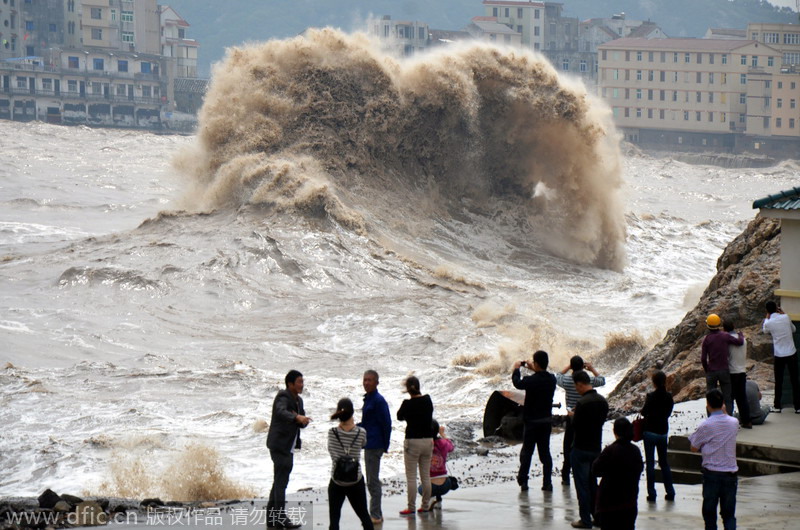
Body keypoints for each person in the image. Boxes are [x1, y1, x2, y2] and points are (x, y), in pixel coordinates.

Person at [689, 389, 739, 530]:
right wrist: (725, 412)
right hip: (730, 474)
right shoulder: (734, 422)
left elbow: (693, 447)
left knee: (710, 515)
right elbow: (732, 421)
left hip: (711, 474)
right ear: (723, 403)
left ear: (708, 405)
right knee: (729, 515)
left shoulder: (705, 425)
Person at [266, 370, 310, 529]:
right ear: (290, 384)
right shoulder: (282, 397)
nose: (301, 385)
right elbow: (281, 411)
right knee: (281, 481)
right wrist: (296, 417)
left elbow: (301, 421)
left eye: (302, 381)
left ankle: (272, 518)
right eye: (299, 382)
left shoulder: (299, 401)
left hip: (289, 446)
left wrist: (303, 421)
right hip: (279, 445)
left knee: (279, 479)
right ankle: (280, 517)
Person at [556, 355, 606, 485]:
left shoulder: (567, 380)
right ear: (583, 366)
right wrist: (591, 368)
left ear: (572, 366)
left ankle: (565, 476)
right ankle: (590, 474)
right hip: (588, 417)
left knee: (568, 446)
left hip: (571, 416)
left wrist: (568, 367)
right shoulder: (588, 380)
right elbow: (602, 380)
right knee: (585, 443)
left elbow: (557, 377)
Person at [512, 350, 557, 492]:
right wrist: (535, 368)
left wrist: (516, 369)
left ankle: (524, 482)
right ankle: (547, 483)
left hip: (531, 422)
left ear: (536, 363)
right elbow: (542, 374)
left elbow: (517, 383)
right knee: (545, 453)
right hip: (545, 421)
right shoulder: (552, 379)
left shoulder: (531, 381)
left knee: (527, 452)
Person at [569, 370, 609, 529]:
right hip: (595, 448)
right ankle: (597, 517)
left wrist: (572, 416)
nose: (576, 389)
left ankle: (585, 520)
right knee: (593, 485)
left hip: (580, 448)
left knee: (582, 486)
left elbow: (575, 425)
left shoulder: (582, 403)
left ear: (580, 384)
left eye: (576, 387)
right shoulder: (602, 401)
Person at [327, 398, 374, 530]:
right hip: (355, 480)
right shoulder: (361, 432)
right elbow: (363, 444)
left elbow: (332, 452)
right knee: (364, 516)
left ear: (338, 413)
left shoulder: (332, 433)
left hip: (337, 481)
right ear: (352, 413)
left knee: (334, 520)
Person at [592, 418, 644, 530]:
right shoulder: (635, 451)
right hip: (629, 502)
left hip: (609, 504)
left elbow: (595, 470)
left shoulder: (610, 450)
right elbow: (640, 468)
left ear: (615, 432)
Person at [357, 370, 391, 525]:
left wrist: (385, 444)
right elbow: (367, 423)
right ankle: (378, 513)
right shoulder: (368, 399)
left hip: (375, 444)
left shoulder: (378, 400)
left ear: (377, 382)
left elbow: (386, 423)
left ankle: (375, 515)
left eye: (370, 380)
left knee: (372, 481)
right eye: (364, 380)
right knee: (371, 479)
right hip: (369, 443)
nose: (366, 383)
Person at [396, 376, 434, 515]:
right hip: (428, 440)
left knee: (411, 477)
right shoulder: (427, 400)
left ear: (407, 389)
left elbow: (399, 416)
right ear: (419, 386)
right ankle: (425, 506)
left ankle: (411, 507)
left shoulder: (407, 404)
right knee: (425, 476)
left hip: (412, 441)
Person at [640, 370, 676, 502]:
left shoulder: (650, 396)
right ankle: (670, 491)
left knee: (650, 463)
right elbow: (668, 414)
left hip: (649, 431)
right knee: (664, 462)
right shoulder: (669, 397)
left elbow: (644, 412)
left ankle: (652, 493)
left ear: (654, 383)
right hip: (662, 432)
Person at [701, 313, 743, 416]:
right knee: (727, 396)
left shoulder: (707, 339)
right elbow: (739, 342)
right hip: (724, 370)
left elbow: (703, 358)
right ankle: (728, 418)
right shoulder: (725, 336)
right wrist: (741, 335)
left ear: (708, 326)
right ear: (719, 324)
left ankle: (711, 419)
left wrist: (707, 370)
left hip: (712, 371)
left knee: (710, 397)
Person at [762, 301, 799, 413]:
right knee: (795, 380)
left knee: (779, 381)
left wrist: (767, 318)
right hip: (791, 353)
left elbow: (764, 330)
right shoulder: (786, 317)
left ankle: (777, 406)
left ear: (767, 311)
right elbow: (794, 330)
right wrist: (784, 314)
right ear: (778, 309)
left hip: (779, 355)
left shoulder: (769, 322)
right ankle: (798, 407)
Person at [417, 420, 455, 509]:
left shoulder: (422, 445)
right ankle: (438, 502)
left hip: (429, 487)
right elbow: (451, 447)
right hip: (445, 485)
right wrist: (442, 434)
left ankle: (431, 499)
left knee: (420, 489)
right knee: (438, 478)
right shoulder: (443, 443)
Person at [724, 319, 751, 428]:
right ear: (734, 326)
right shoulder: (743, 340)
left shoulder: (728, 341)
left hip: (732, 372)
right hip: (742, 371)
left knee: (729, 398)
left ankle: (728, 423)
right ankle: (747, 421)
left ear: (724, 329)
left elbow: (726, 356)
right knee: (742, 398)